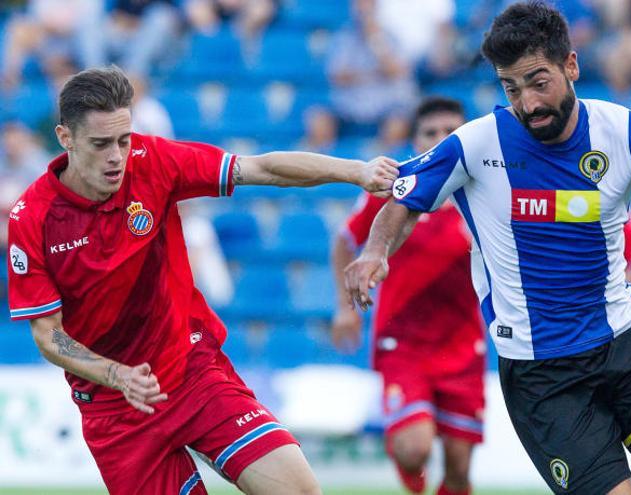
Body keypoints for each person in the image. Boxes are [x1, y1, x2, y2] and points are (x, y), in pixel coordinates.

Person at [345, 2, 631, 494]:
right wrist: (375, 251)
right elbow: (403, 200)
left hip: (629, 343)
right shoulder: (476, 143)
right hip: (542, 371)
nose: (528, 103)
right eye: (512, 88)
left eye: (538, 81)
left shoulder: (625, 130)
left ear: (570, 65)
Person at [5, 66, 399, 495]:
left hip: (191, 372)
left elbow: (261, 168)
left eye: (123, 139)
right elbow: (48, 336)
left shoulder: (153, 161)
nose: (117, 156)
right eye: (100, 145)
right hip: (114, 410)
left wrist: (356, 171)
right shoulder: (34, 220)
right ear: (66, 138)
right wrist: (118, 375)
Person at [331, 97, 483, 495]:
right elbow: (345, 243)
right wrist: (345, 308)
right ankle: (408, 474)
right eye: (430, 133)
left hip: (463, 346)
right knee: (413, 449)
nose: (440, 139)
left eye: (450, 132)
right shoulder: (392, 190)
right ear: (415, 141)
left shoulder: (483, 195)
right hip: (405, 344)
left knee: (459, 470)